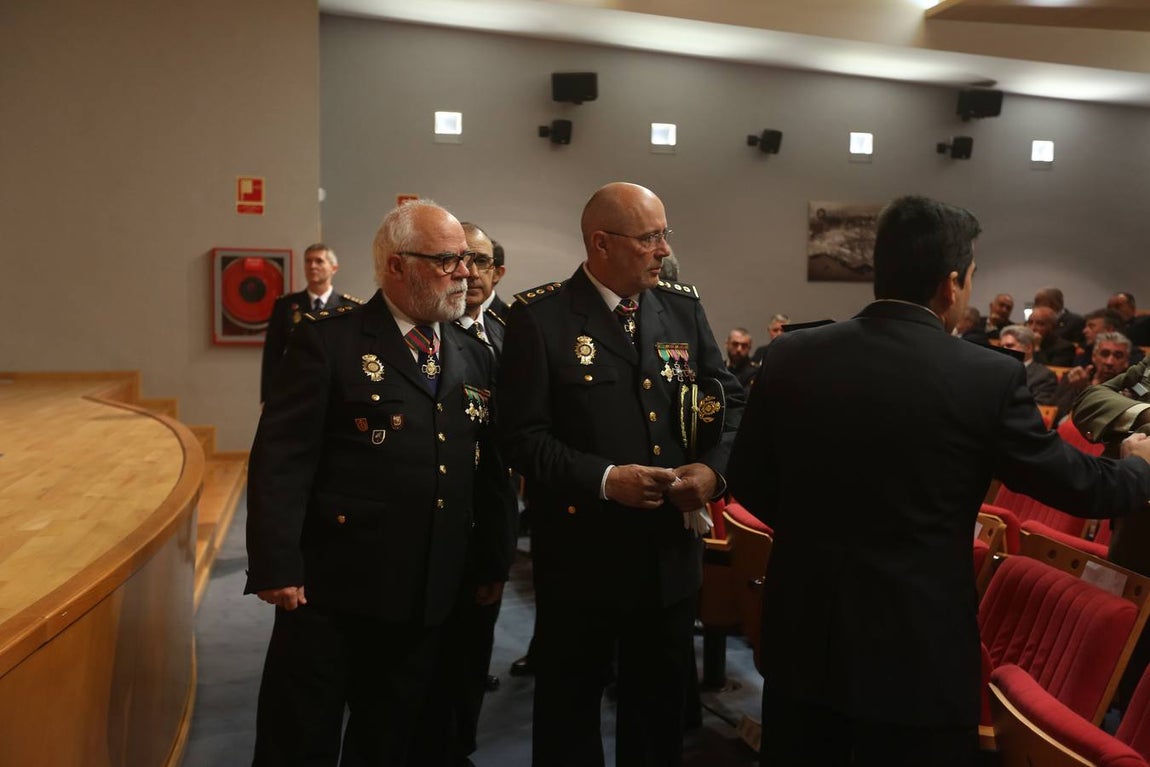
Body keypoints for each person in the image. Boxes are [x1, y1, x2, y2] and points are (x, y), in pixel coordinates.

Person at [727, 194, 1150, 767]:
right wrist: (1139, 466)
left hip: (804, 638)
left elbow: (749, 479)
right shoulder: (987, 377)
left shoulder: (792, 354)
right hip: (915, 654)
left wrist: (822, 533)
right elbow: (1077, 487)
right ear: (951, 285)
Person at [244, 200, 516, 766]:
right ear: (397, 266)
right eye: (447, 261)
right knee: (301, 740)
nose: (465, 273)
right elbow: (281, 461)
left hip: (426, 590)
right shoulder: (329, 342)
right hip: (330, 589)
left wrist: (492, 560)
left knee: (392, 736)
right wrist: (277, 564)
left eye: (466, 260)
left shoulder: (471, 353)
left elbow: (488, 468)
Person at [498, 181, 745, 766]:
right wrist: (607, 478)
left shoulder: (681, 308)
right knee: (568, 714)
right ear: (601, 243)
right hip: (581, 552)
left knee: (659, 715)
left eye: (665, 235)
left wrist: (713, 474)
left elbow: (728, 405)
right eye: (649, 237)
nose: (663, 249)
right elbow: (521, 440)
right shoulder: (541, 318)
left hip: (667, 557)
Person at [259, 243, 363, 402]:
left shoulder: (350, 307)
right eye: (308, 261)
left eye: (319, 261)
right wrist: (267, 396)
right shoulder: (286, 305)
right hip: (296, 391)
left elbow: (358, 355)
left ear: (334, 268)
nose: (312, 266)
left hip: (338, 392)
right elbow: (273, 354)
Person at [1053, 331, 1133, 424]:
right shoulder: (1075, 378)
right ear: (1094, 357)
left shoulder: (1132, 389)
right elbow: (1054, 416)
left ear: (1126, 361)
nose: (1109, 362)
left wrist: (1085, 389)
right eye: (1104, 354)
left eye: (1118, 356)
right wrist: (1078, 389)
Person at [999, 324, 1058, 405]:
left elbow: (1038, 409)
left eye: (1009, 346)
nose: (1003, 350)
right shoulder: (996, 372)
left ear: (1028, 348)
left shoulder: (1044, 376)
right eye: (1001, 346)